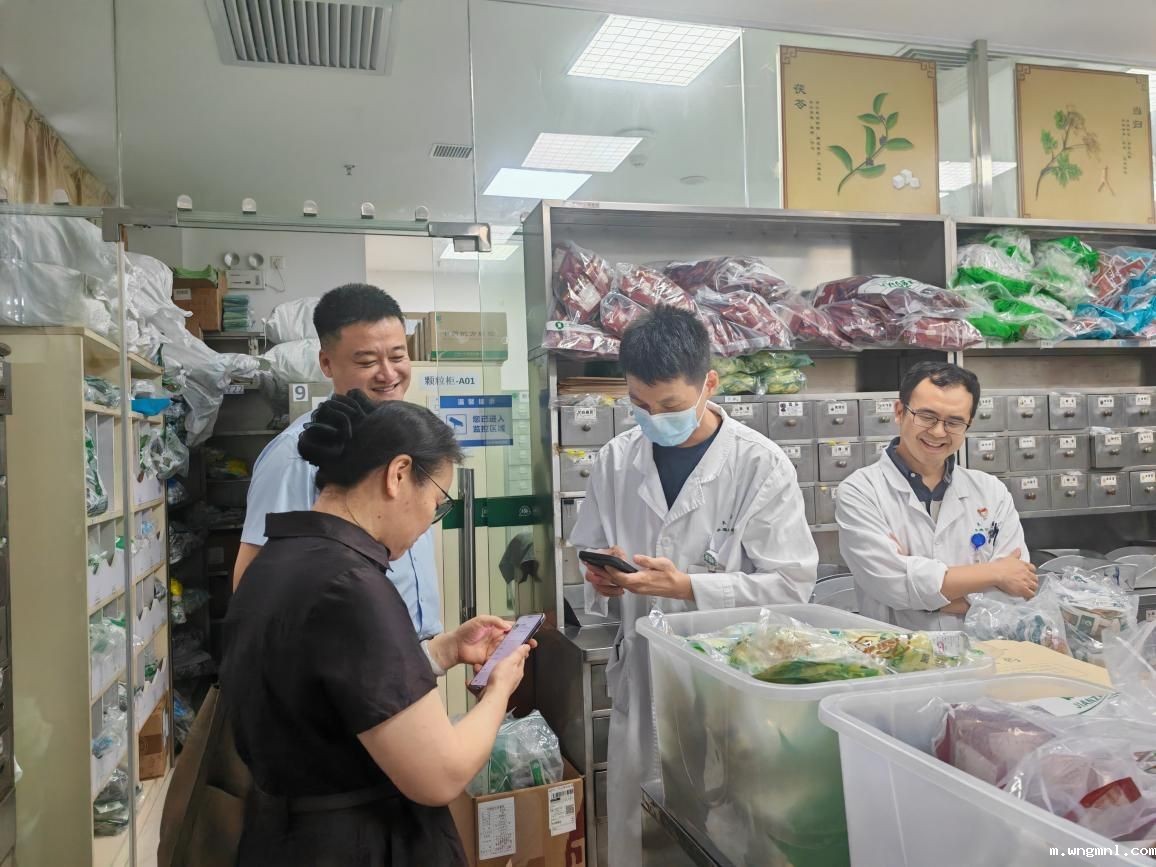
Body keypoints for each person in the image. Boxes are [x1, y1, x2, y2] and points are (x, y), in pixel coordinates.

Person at [220, 391, 533, 866]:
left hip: (284, 837)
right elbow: (441, 775)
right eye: (437, 502)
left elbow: (328, 692)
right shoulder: (352, 586)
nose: (429, 522)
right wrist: (500, 688)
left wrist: (443, 650)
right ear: (398, 474)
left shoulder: (281, 559)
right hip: (354, 844)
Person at [567, 306, 818, 866]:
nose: (654, 418)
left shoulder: (759, 465)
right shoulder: (615, 460)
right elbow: (591, 551)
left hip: (726, 685)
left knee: (728, 835)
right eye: (640, 405)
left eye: (670, 405)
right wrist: (603, 579)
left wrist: (688, 587)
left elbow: (791, 585)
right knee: (643, 837)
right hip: (643, 677)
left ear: (709, 384)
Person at [233, 284, 442, 641]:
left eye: (398, 356)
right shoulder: (295, 455)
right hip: (352, 662)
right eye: (367, 362)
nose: (388, 374)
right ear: (326, 363)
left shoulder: (406, 439)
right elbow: (254, 586)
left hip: (413, 653)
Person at [836, 361, 1038, 630]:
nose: (938, 431)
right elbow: (891, 585)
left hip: (982, 649)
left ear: (968, 426)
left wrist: (917, 589)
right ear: (899, 412)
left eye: (954, 422)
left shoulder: (991, 491)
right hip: (899, 649)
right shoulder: (861, 491)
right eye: (926, 416)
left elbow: (1016, 590)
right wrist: (994, 573)